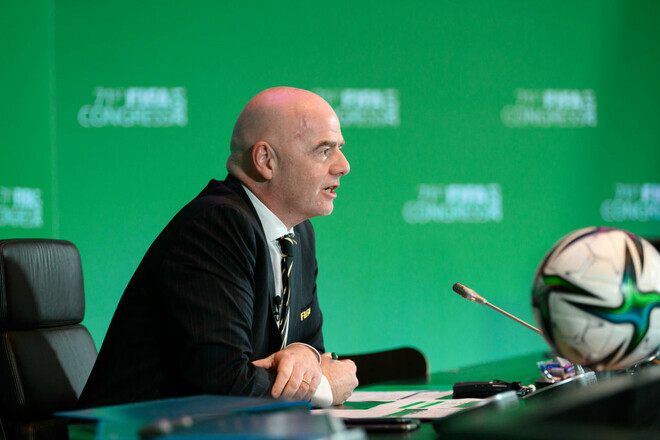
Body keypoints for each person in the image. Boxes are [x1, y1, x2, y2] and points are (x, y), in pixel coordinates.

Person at [79, 87, 358, 408]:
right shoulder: (217, 225)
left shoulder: (299, 232)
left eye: (339, 148)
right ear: (265, 160)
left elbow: (312, 349)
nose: (343, 165)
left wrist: (304, 355)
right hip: (132, 428)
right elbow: (225, 385)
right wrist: (322, 387)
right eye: (324, 150)